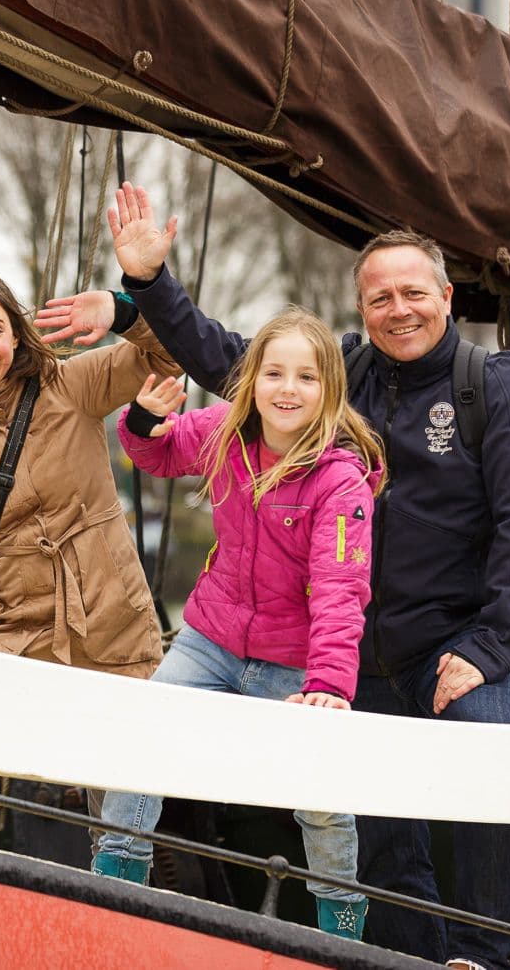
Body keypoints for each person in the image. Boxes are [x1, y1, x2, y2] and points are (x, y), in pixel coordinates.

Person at [39, 184, 510, 970]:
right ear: (362, 307)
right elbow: (231, 360)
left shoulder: (495, 385)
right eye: (380, 297)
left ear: (447, 296)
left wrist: (490, 644)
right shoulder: (339, 372)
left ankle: (482, 959)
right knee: (377, 839)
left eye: (414, 293)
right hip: (358, 653)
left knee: (484, 784)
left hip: (457, 641)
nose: (398, 309)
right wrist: (145, 286)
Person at [90, 307, 383, 942]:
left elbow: (341, 589)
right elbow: (160, 453)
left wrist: (328, 685)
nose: (287, 389)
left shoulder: (340, 483)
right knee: (145, 737)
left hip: (293, 659)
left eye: (306, 377)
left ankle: (341, 924)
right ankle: (117, 882)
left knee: (322, 797)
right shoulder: (225, 431)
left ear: (330, 389)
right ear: (253, 381)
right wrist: (141, 420)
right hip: (211, 640)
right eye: (274, 373)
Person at [0, 271, 181, 839]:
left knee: (117, 811)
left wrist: (125, 309)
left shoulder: (72, 383)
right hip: (10, 621)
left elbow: (170, 356)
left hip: (105, 612)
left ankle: (117, 885)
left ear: (16, 334)